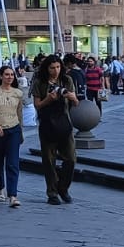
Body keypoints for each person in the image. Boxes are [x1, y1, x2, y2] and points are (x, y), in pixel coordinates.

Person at [32, 55, 77, 204]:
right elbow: (37, 105)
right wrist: (49, 99)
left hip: (64, 123)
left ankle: (63, 187)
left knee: (71, 158)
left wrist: (71, 97)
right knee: (49, 160)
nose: (55, 71)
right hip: (47, 124)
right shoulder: (40, 82)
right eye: (52, 68)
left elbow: (76, 102)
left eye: (58, 67)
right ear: (46, 68)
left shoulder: (67, 80)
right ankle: (52, 192)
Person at [0, 64, 24, 207]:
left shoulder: (18, 93)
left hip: (13, 129)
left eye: (12, 75)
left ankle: (13, 195)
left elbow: (20, 113)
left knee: (13, 163)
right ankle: (0, 188)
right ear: (1, 76)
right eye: (6, 74)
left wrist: (21, 130)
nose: (9, 77)